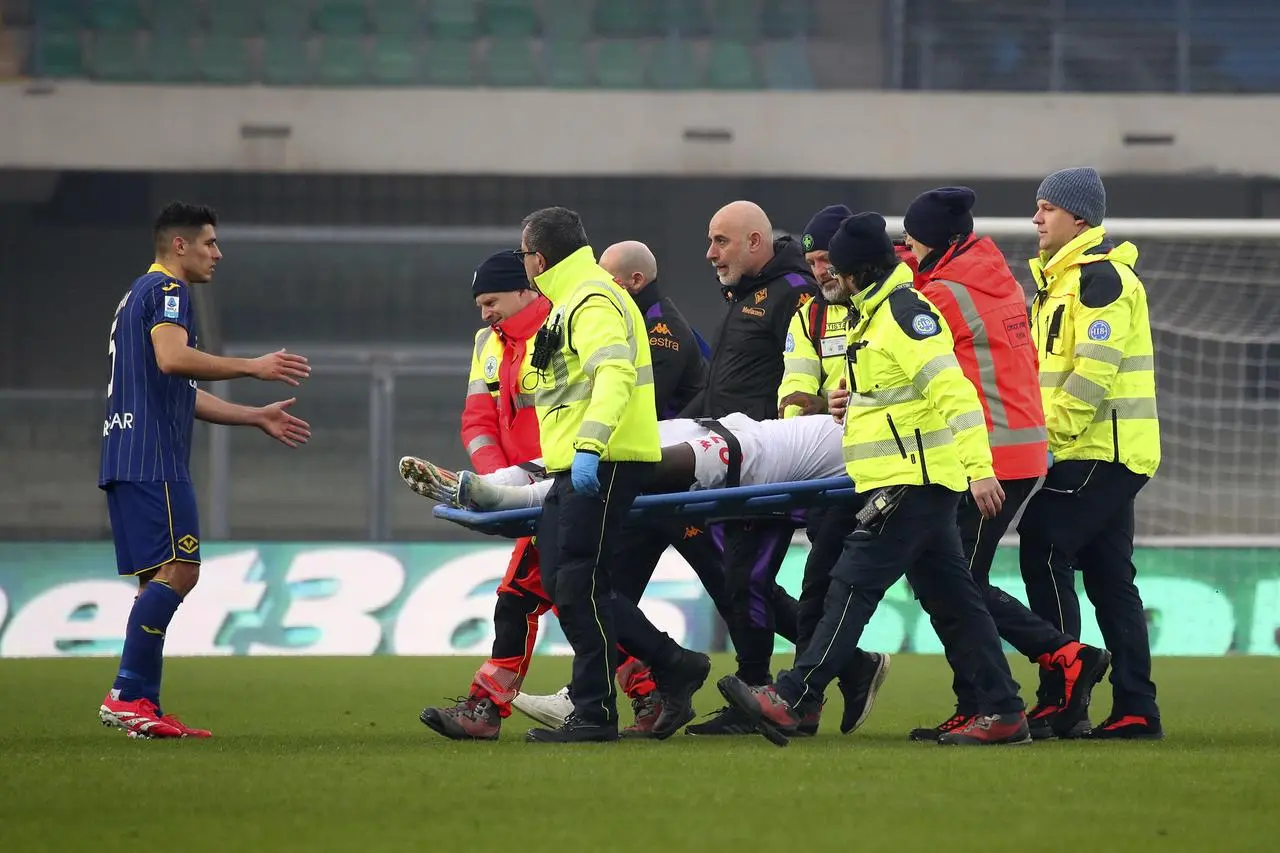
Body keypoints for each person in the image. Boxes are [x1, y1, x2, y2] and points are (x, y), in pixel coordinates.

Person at [717, 212, 1030, 747]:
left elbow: (953, 394)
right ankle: (1003, 711)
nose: (826, 276)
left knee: (852, 586)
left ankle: (793, 695)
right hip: (907, 480)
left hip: (911, 482)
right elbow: (892, 400)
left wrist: (980, 470)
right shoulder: (875, 315)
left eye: (834, 267)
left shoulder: (905, 316)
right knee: (955, 602)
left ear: (859, 270)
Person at [418, 251, 662, 741]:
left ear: (525, 290)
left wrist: (525, 481)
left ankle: (486, 706)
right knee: (571, 594)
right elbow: (478, 420)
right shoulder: (488, 343)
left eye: (492, 301)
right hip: (530, 487)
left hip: (567, 479)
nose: (484, 313)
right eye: (479, 304)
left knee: (525, 597)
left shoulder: (562, 322)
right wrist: (499, 484)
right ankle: (651, 685)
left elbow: (589, 401)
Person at [900, 186, 1112, 742]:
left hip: (986, 455)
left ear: (937, 246)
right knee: (952, 580)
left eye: (913, 244)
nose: (908, 252)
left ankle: (1054, 664)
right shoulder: (990, 274)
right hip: (1018, 448)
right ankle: (986, 698)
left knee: (955, 585)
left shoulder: (943, 294)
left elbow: (911, 325)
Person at [98, 202, 312, 739]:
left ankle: (142, 704)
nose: (218, 253)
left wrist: (253, 415)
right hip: (154, 459)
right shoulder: (169, 291)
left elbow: (176, 389)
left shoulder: (136, 295)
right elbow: (174, 359)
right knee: (181, 571)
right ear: (179, 246)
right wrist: (252, 367)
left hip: (126, 454)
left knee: (157, 578)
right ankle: (126, 694)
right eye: (210, 243)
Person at [514, 206, 710, 743]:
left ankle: (595, 713)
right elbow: (550, 382)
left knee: (577, 582)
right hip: (580, 462)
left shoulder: (592, 297)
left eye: (524, 254)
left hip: (602, 459)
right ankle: (672, 664)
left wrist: (590, 446)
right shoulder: (574, 300)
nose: (524, 265)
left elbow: (614, 373)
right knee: (565, 582)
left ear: (540, 256)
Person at [1018, 167, 1163, 740]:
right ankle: (1136, 709)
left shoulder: (1099, 281)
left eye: (1047, 208)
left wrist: (1045, 441)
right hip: (1097, 446)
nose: (1036, 218)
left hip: (1101, 447)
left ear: (1078, 217)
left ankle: (1062, 696)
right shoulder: (1059, 284)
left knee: (1042, 544)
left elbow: (1091, 377)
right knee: (1109, 579)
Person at [681, 201, 820, 737]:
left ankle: (761, 691)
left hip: (772, 464)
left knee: (748, 577)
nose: (710, 253)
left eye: (721, 241)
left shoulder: (793, 294)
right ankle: (794, 681)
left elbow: (808, 374)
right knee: (742, 579)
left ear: (756, 243)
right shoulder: (750, 296)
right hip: (740, 462)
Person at [599, 240, 706, 419]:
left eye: (608, 282)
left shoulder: (663, 331)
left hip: (672, 438)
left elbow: (646, 404)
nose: (601, 290)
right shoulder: (639, 317)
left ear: (636, 280)